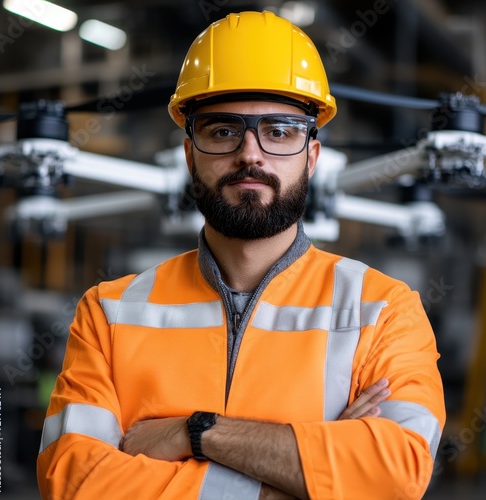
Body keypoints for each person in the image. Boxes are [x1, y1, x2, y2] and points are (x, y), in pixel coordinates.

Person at [37, 10, 446, 500]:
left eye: (279, 131)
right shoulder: (108, 312)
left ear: (311, 157)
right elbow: (75, 482)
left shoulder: (383, 310)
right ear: (189, 154)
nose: (251, 153)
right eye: (223, 130)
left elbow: (395, 472)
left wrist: (196, 433)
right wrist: (295, 480)